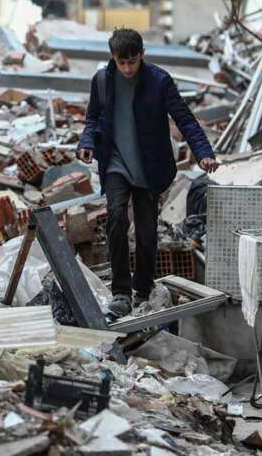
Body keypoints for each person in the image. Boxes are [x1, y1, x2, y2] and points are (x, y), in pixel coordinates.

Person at [77, 28, 218, 319]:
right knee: (115, 217)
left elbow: (185, 119)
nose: (127, 68)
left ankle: (142, 289)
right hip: (115, 162)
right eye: (121, 62)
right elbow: (92, 118)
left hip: (149, 166)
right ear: (113, 58)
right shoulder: (102, 81)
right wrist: (87, 143)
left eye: (132, 61)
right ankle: (120, 292)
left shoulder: (159, 82)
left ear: (142, 55)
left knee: (146, 232)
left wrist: (204, 153)